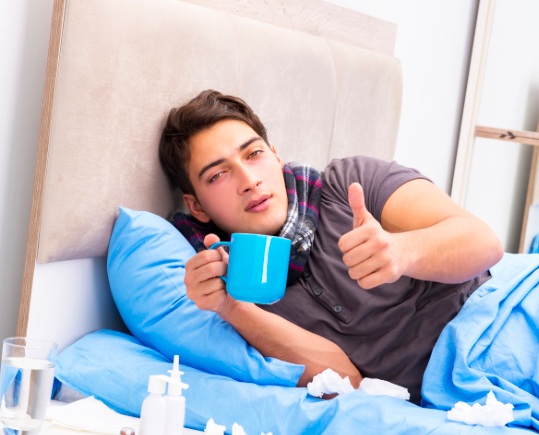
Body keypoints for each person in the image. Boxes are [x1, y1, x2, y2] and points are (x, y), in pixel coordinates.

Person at [159, 90, 504, 403]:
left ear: (277, 157)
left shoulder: (347, 183)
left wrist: (402, 251)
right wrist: (230, 306)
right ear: (197, 207)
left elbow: (484, 243)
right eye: (218, 175)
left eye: (254, 154)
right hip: (458, 392)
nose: (249, 181)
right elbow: (346, 380)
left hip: (503, 322)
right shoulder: (240, 287)